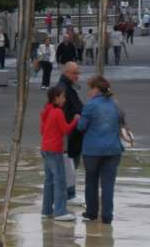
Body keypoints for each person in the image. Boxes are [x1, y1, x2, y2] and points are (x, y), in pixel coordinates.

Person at [77, 75, 123, 225]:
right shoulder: (115, 104)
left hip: (93, 150)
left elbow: (81, 127)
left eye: (90, 88)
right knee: (108, 184)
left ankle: (91, 213)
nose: (89, 91)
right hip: (113, 149)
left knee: (91, 182)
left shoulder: (90, 106)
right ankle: (107, 216)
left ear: (96, 89)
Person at [40, 85, 80, 221]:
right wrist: (75, 120)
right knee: (60, 181)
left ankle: (46, 210)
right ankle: (60, 211)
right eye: (62, 97)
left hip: (45, 149)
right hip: (55, 149)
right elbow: (65, 129)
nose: (64, 99)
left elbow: (42, 130)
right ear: (56, 98)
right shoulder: (58, 112)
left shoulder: (47, 110)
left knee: (49, 181)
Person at [58, 61, 85, 205]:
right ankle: (68, 195)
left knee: (70, 166)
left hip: (72, 134)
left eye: (78, 73)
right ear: (66, 72)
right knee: (68, 166)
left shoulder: (68, 87)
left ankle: (69, 194)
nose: (77, 76)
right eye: (75, 73)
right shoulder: (64, 88)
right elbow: (63, 112)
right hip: (68, 135)